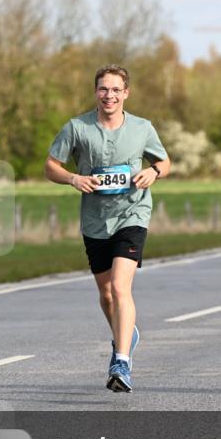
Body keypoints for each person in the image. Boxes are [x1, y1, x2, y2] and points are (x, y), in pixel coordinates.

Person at [46, 64, 170, 393]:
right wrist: (74, 178)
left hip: (133, 213)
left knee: (119, 287)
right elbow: (50, 166)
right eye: (103, 89)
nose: (109, 95)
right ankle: (126, 332)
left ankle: (122, 359)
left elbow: (164, 161)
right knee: (105, 295)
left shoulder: (142, 128)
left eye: (116, 89)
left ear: (126, 93)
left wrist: (154, 173)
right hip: (95, 220)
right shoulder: (77, 127)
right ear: (96, 92)